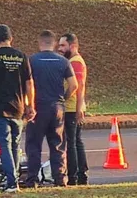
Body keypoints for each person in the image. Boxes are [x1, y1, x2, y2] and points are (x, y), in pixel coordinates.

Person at [0, 25, 35, 193]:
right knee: (15, 145)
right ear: (11, 38)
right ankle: (13, 177)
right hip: (18, 108)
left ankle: (11, 182)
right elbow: (29, 83)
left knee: (4, 146)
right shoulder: (21, 56)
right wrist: (30, 105)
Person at [25, 30, 78, 188]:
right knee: (58, 145)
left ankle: (33, 179)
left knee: (34, 145)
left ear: (40, 43)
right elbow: (74, 85)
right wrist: (64, 98)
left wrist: (28, 105)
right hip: (57, 107)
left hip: (38, 107)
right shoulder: (63, 61)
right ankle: (60, 179)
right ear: (54, 43)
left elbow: (26, 84)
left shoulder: (31, 60)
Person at [58, 33, 89, 185]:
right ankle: (81, 176)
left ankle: (73, 178)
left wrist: (77, 107)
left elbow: (78, 86)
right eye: (59, 45)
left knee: (71, 143)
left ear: (73, 46)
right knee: (76, 141)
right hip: (72, 107)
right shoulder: (71, 61)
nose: (60, 48)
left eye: (63, 45)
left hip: (71, 108)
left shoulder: (75, 62)